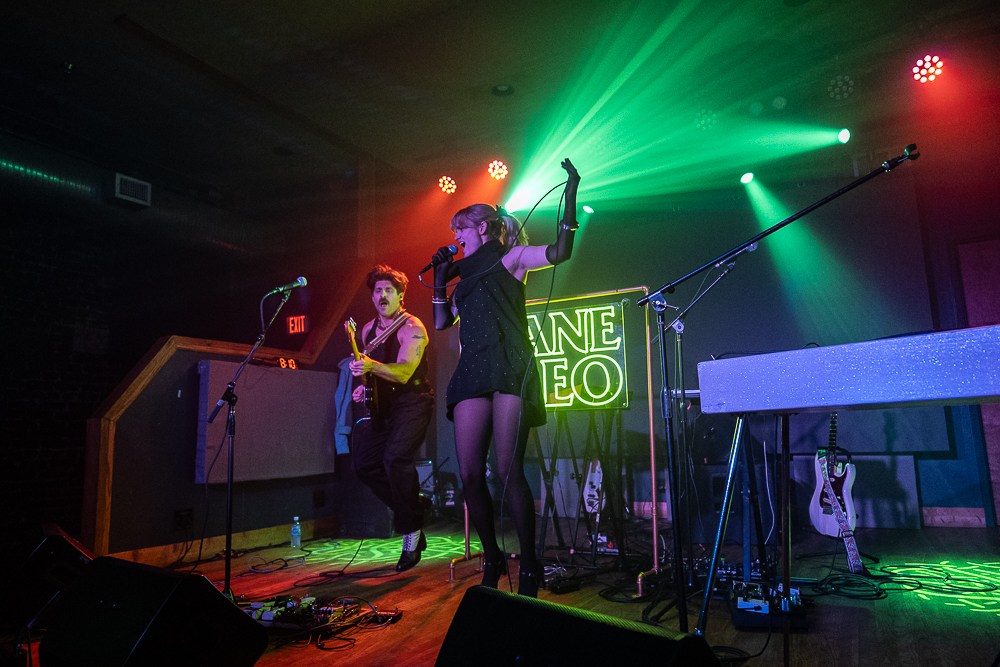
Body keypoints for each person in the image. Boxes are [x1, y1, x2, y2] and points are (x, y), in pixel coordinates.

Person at [430, 158, 580, 597]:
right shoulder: (462, 277)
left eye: (460, 228)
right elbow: (441, 322)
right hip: (473, 370)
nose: (455, 235)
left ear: (482, 228)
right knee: (470, 474)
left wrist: (570, 192)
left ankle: (530, 564)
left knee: (507, 467)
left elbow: (560, 252)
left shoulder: (511, 258)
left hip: (511, 365)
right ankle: (493, 557)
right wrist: (440, 278)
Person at [349, 265, 434, 572]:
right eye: (377, 291)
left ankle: (411, 535)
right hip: (384, 405)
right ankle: (414, 507)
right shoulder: (367, 330)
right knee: (364, 465)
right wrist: (364, 388)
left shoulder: (412, 327)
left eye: (389, 290)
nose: (382, 295)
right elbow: (373, 374)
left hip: (414, 402)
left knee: (396, 458)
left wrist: (370, 366)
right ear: (372, 297)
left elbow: (405, 372)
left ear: (400, 295)